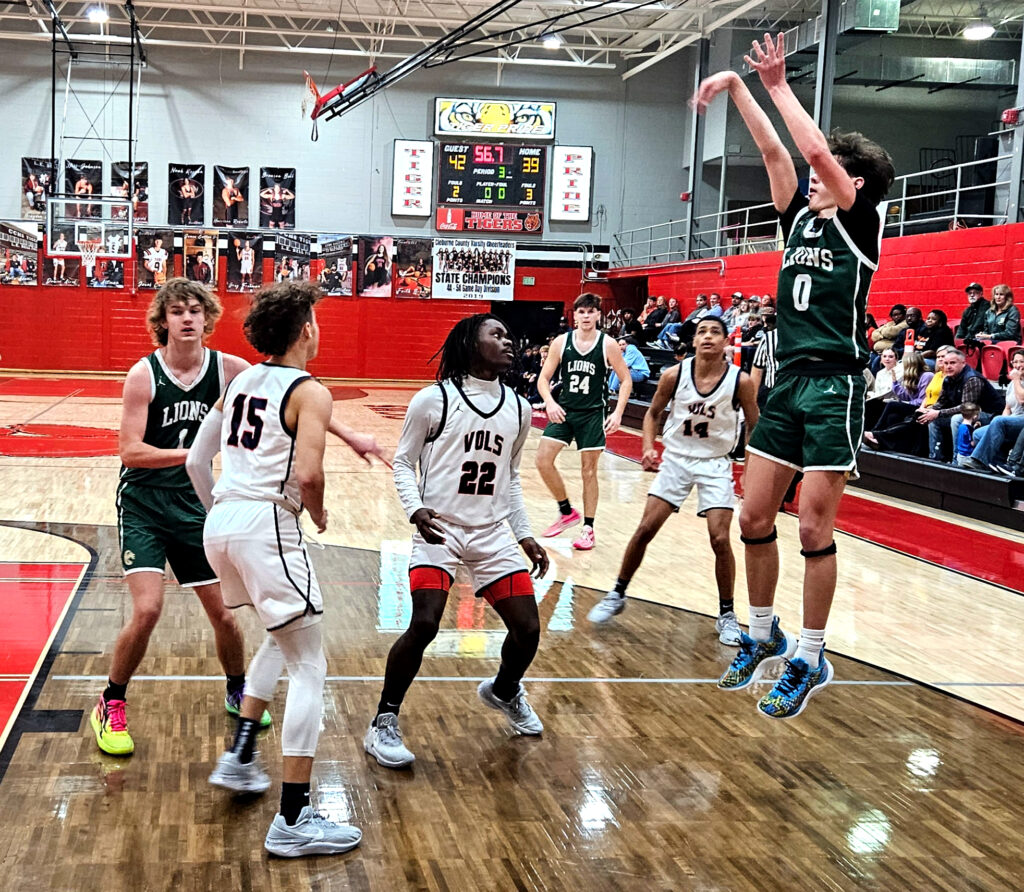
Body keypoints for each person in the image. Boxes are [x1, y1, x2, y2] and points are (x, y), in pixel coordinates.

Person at [693, 31, 895, 717]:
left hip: (836, 384)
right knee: (752, 515)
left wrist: (779, 83)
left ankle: (810, 654)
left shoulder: (860, 223)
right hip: (787, 384)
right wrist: (739, 89)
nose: (814, 174)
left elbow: (808, 149)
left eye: (829, 170)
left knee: (812, 527)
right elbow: (781, 153)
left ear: (853, 182)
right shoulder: (799, 224)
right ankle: (761, 632)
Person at [187, 280, 368, 857]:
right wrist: (317, 516)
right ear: (305, 329)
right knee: (310, 665)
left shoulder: (239, 380)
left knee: (281, 635)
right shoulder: (311, 391)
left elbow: (196, 460)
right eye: (316, 319)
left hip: (222, 525)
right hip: (268, 522)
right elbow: (310, 476)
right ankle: (293, 818)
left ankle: (241, 757)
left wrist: (224, 512)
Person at [364, 314, 549, 770]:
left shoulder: (519, 408)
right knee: (425, 624)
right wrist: (416, 510)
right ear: (470, 343)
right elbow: (404, 462)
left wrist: (524, 534)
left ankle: (504, 691)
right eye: (498, 334)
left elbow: (511, 476)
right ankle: (383, 721)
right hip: (440, 529)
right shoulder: (433, 400)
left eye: (509, 334)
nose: (509, 341)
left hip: (491, 534)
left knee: (527, 630)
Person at [89, 279, 260, 758]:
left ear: (208, 318)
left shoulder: (231, 370)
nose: (187, 319)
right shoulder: (143, 375)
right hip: (144, 505)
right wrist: (194, 454)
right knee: (147, 610)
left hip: (193, 508)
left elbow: (285, 389)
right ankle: (111, 701)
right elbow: (130, 451)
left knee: (225, 615)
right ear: (162, 321)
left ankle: (237, 688)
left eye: (195, 311)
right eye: (177, 311)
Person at [588, 317, 759, 645]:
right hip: (677, 460)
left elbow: (755, 423)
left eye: (715, 332)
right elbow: (653, 414)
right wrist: (648, 447)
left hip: (715, 463)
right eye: (702, 332)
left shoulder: (741, 381)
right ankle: (617, 593)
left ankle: (727, 615)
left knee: (720, 539)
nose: (708, 337)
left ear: (726, 342)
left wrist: (749, 471)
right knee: (644, 529)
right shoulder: (674, 374)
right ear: (693, 341)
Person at [535, 292, 633, 550]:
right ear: (575, 315)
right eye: (581, 311)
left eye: (591, 311)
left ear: (598, 315)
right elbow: (543, 379)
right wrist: (550, 402)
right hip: (565, 410)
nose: (586, 316)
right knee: (543, 460)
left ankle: (588, 528)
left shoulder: (608, 344)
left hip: (592, 414)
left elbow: (626, 380)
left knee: (588, 471)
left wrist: (618, 412)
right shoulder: (560, 342)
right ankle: (566, 511)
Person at [920, 348, 1002, 461]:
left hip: (989, 415)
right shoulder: (948, 379)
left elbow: (967, 408)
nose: (948, 366)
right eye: (946, 363)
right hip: (967, 413)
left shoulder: (972, 378)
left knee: (957, 419)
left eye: (953, 363)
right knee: (932, 418)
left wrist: (938, 412)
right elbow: (941, 401)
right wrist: (930, 411)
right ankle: (935, 456)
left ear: (963, 363)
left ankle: (957, 459)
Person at [961, 351, 1024, 473]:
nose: (1018, 365)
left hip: (1022, 422)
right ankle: (997, 465)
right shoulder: (1012, 384)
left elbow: (1022, 400)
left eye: (1021, 361)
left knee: (998, 421)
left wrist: (1017, 379)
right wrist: (998, 424)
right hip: (1012, 420)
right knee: (978, 433)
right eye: (1015, 362)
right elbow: (1007, 408)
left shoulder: (1015, 381)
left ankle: (978, 461)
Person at [953, 403, 983, 468]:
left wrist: (974, 426)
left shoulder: (961, 426)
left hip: (960, 454)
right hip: (966, 456)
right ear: (975, 416)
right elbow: (972, 443)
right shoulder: (968, 428)